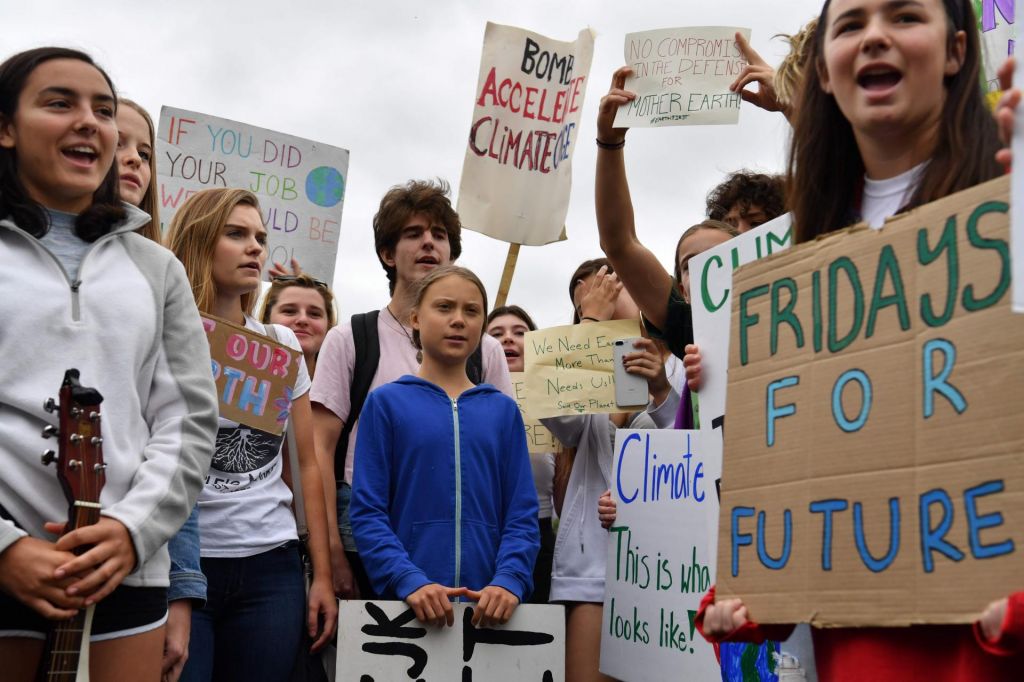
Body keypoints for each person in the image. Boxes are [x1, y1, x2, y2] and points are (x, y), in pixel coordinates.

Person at [697, 1, 1021, 679]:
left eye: (905, 15)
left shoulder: (1009, 200)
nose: (876, 36)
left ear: (957, 50)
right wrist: (753, 591)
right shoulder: (802, 262)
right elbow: (814, 477)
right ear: (822, 72)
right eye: (850, 25)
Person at [0, 47, 218, 682]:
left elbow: (188, 421)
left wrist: (131, 530)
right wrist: (6, 550)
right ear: (6, 126)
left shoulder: (158, 270)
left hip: (128, 573)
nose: (90, 122)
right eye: (59, 103)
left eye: (102, 109)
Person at [311, 179, 514, 600]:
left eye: (439, 235)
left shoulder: (485, 350)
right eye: (413, 233)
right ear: (388, 254)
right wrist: (331, 555)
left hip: (460, 528)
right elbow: (319, 451)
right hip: (363, 526)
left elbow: (504, 461)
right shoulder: (351, 338)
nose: (428, 243)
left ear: (452, 254)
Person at [165, 188, 337, 682]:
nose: (256, 248)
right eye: (236, 234)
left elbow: (307, 464)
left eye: (260, 237)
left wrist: (321, 575)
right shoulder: (164, 333)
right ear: (200, 242)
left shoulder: (281, 343)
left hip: (271, 567)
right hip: (182, 566)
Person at [350, 265, 538, 627]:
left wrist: (509, 580)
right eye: (444, 307)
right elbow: (368, 512)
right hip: (407, 611)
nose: (458, 320)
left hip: (491, 611)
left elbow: (521, 514)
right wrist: (407, 579)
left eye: (471, 311)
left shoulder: (503, 410)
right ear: (416, 318)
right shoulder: (385, 404)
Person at [541, 259, 679, 682]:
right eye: (590, 290)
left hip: (670, 562)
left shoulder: (682, 358)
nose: (606, 291)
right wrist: (590, 322)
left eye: (615, 280)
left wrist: (661, 392)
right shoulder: (584, 374)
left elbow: (693, 445)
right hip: (594, 567)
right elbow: (557, 415)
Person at [595, 71, 785, 359]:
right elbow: (619, 244)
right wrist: (609, 142)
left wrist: (791, 104)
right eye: (694, 263)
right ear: (683, 290)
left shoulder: (812, 294)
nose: (741, 237)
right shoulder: (690, 327)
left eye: (756, 225)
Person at [114, 97, 203, 682]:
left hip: (134, 571)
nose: (131, 160)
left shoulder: (161, 276)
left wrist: (177, 589)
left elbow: (183, 432)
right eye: (116, 141)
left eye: (144, 152)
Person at [486, 304, 556, 604]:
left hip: (539, 536)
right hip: (482, 532)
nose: (508, 339)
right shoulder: (463, 399)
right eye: (496, 334)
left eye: (520, 333)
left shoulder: (557, 407)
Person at [260, 273, 336, 378]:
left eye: (314, 314)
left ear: (329, 325)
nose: (303, 319)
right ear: (266, 320)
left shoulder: (349, 387)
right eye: (289, 311)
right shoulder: (240, 375)